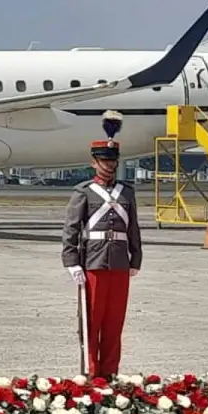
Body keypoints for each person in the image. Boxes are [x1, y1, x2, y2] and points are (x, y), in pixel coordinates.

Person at [59, 111, 140, 379]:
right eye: (104, 160)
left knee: (114, 322)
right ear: (94, 163)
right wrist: (71, 262)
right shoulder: (83, 192)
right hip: (92, 261)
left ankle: (110, 372)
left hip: (119, 262)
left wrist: (135, 259)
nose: (109, 165)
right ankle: (91, 372)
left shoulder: (126, 192)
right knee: (91, 322)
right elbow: (71, 228)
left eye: (113, 160)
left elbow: (133, 228)